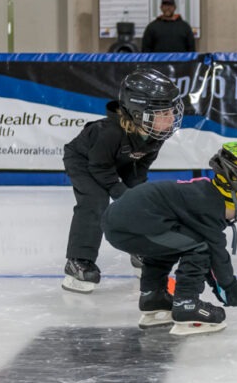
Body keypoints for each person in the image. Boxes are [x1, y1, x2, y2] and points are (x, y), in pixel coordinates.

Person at [101, 143, 237, 336]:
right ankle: (187, 304)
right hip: (134, 225)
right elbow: (216, 252)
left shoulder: (203, 192)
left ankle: (153, 297)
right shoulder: (209, 205)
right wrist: (229, 287)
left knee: (173, 244)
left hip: (122, 223)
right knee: (200, 247)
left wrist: (220, 286)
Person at [61, 69, 183, 294]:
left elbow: (140, 167)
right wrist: (119, 191)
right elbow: (99, 167)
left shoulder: (155, 134)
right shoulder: (108, 132)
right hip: (85, 161)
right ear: (139, 112)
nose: (171, 118)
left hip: (120, 162)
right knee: (95, 202)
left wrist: (136, 196)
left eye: (171, 111)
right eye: (163, 112)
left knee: (144, 200)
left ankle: (141, 250)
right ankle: (78, 261)